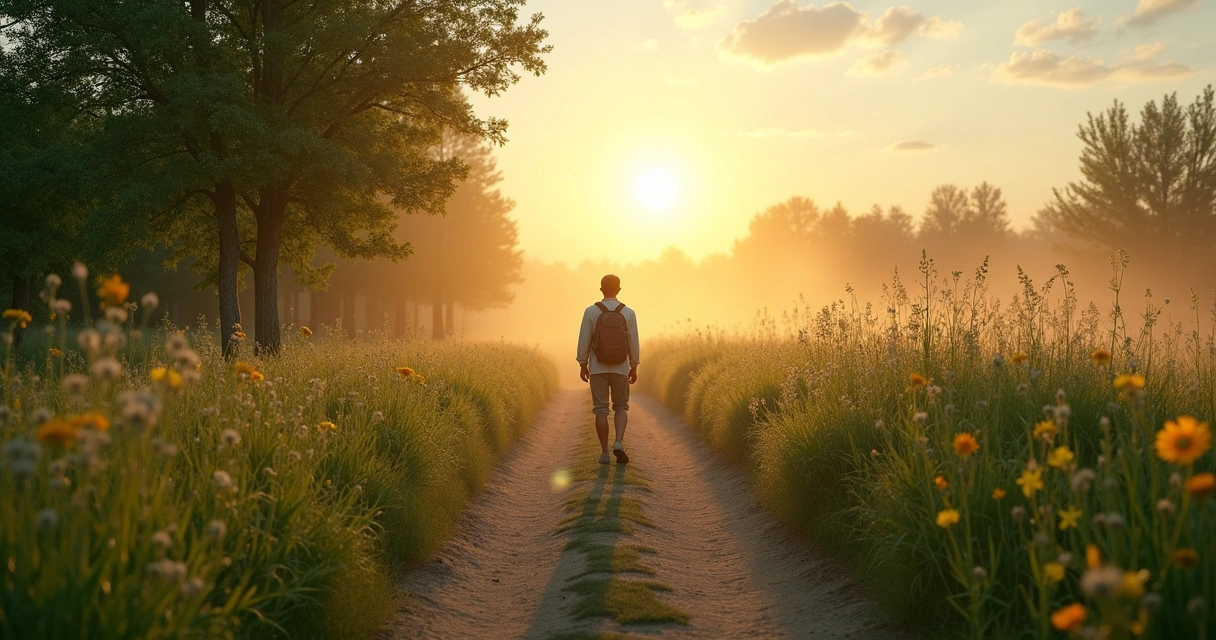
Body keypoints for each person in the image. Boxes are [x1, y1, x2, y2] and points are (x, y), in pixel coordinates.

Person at [576, 274, 640, 464]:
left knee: (601, 410)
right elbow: (633, 342)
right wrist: (634, 365)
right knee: (621, 407)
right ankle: (618, 442)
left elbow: (584, 339)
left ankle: (604, 452)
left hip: (597, 368)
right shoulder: (628, 313)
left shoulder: (590, 312)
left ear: (601, 289)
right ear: (619, 290)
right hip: (621, 368)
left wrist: (582, 363)